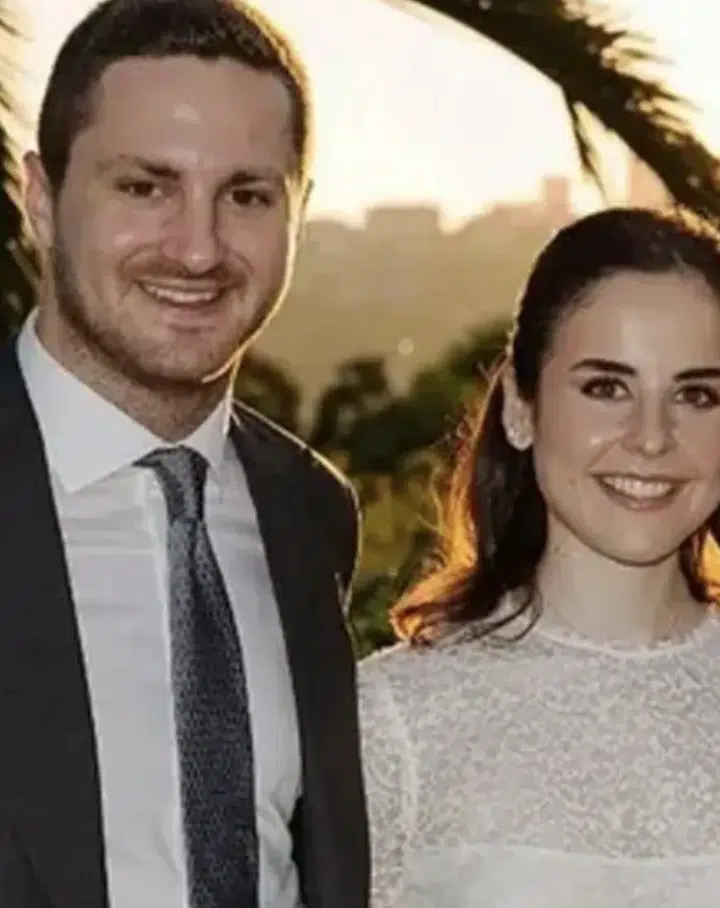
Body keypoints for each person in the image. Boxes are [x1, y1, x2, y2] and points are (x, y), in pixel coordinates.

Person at [357, 206, 720, 908]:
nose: (651, 437)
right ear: (520, 408)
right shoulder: (395, 717)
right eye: (606, 388)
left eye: (695, 395)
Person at [0, 1, 368, 907]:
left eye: (246, 196)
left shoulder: (310, 513)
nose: (198, 250)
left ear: (299, 212)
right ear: (40, 199)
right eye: (144, 187)